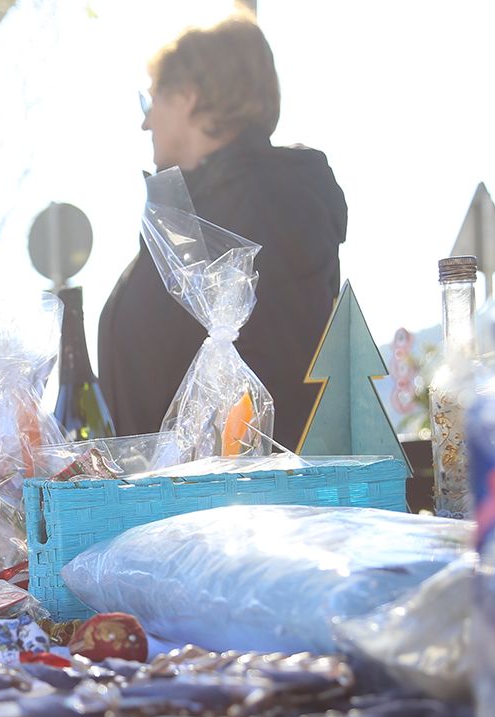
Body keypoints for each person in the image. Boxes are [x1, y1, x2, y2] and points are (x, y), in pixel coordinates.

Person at [98, 11, 349, 446]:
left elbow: (274, 373)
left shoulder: (273, 203)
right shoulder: (194, 208)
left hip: (235, 502)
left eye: (151, 99)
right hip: (176, 499)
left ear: (189, 97)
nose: (145, 121)